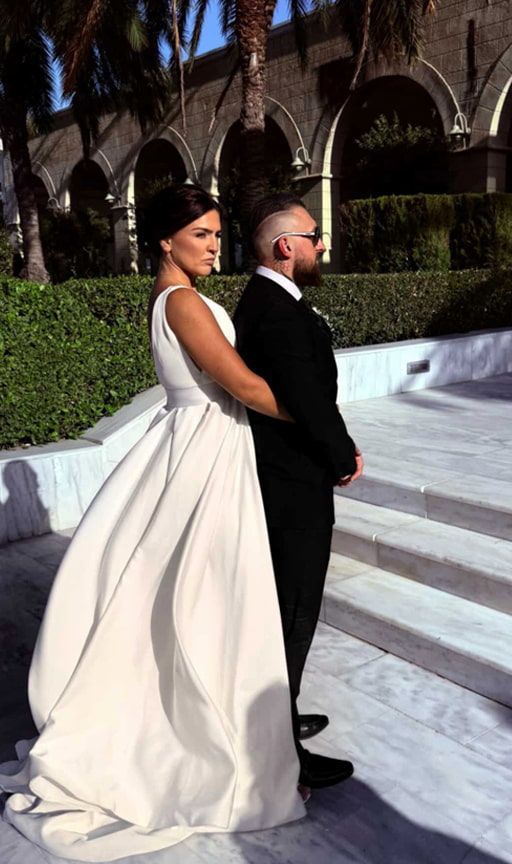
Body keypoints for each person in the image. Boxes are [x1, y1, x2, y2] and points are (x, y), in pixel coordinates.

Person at [0, 184, 306, 862]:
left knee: (195, 598)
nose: (214, 246)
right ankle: (192, 743)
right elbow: (243, 386)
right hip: (201, 452)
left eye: (218, 235)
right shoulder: (181, 302)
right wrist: (317, 425)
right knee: (196, 598)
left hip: (207, 446)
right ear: (166, 240)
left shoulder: (181, 298)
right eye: (201, 235)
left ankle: (219, 718)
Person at [234, 194, 363, 790]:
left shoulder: (269, 300)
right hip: (293, 487)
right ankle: (278, 748)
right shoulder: (277, 309)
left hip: (285, 479)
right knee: (294, 614)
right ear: (287, 247)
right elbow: (305, 396)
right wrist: (342, 454)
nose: (321, 245)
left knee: (288, 610)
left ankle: (279, 717)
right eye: (314, 236)